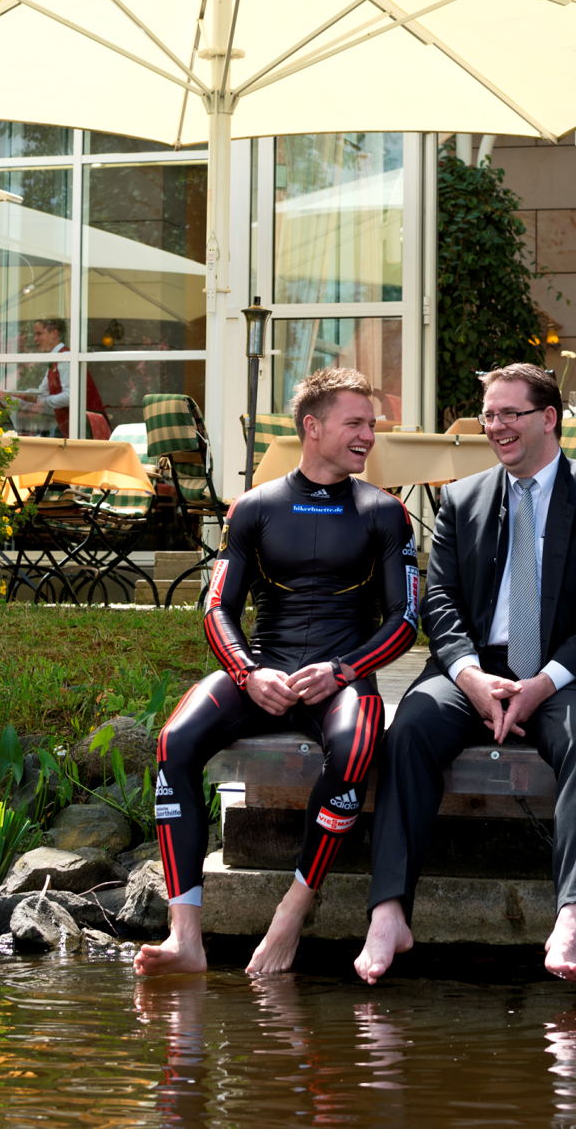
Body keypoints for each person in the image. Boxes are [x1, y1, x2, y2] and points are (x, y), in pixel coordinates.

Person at [355, 362, 576, 986]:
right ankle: (389, 912)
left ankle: (573, 913)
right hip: (474, 669)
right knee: (411, 727)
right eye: (488, 415)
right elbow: (440, 601)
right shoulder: (461, 498)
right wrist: (468, 677)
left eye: (510, 413)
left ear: (549, 418)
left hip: (569, 672)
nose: (495, 426)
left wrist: (545, 682)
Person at [135, 366, 419, 979]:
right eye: (355, 424)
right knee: (173, 742)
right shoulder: (254, 507)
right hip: (263, 668)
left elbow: (405, 621)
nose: (369, 436)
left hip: (341, 678)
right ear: (312, 427)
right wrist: (246, 674)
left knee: (356, 747)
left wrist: (342, 670)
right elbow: (217, 607)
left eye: (371, 424)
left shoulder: (385, 512)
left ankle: (291, 914)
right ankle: (185, 936)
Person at [3, 315, 108, 437]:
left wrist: (42, 401)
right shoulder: (57, 359)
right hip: (77, 427)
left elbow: (70, 396)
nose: (35, 339)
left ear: (54, 333)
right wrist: (12, 395)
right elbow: (41, 392)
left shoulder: (65, 357)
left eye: (39, 334)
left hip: (86, 427)